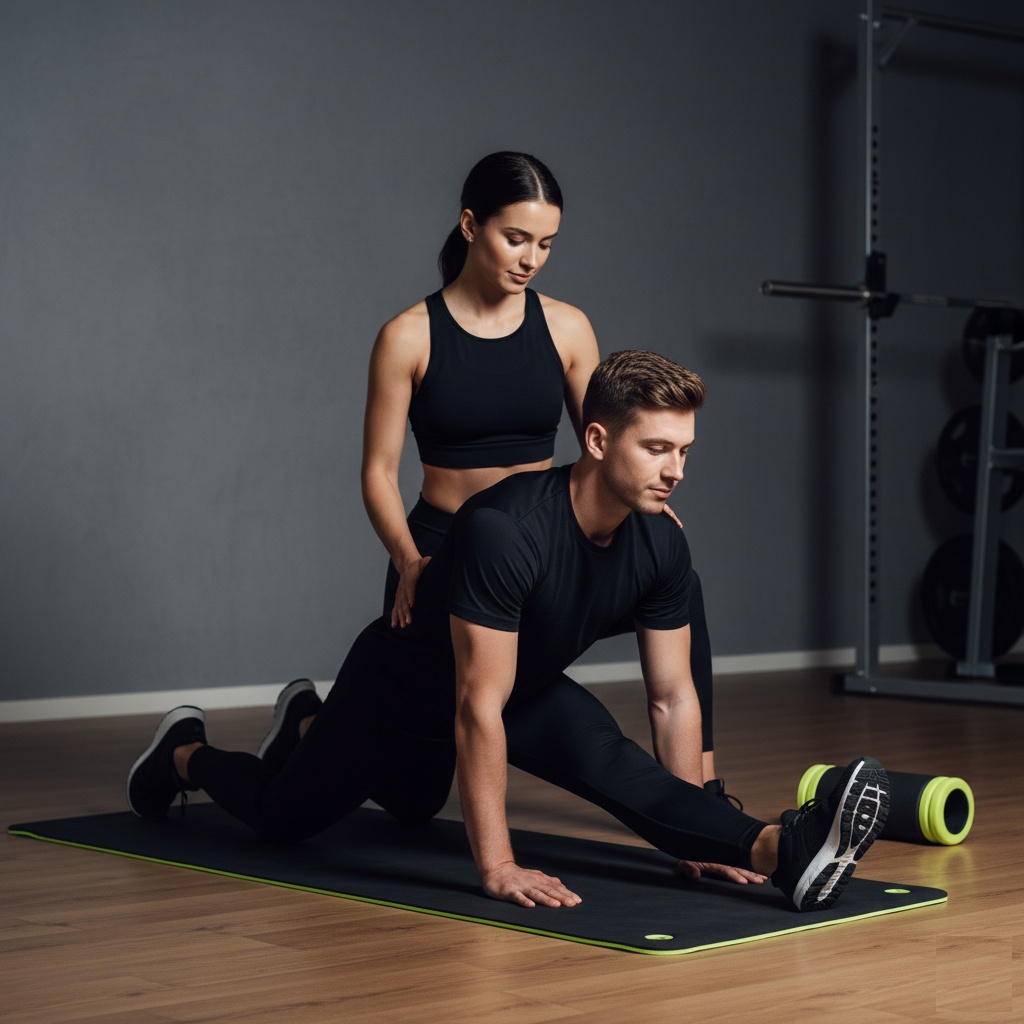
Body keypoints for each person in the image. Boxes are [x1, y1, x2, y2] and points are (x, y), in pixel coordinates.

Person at [128, 350, 890, 912]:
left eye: (684, 450)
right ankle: (187, 754)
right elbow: (473, 708)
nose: (676, 470)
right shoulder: (506, 528)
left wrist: (698, 835)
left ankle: (782, 849)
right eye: (656, 448)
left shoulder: (663, 543)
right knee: (282, 818)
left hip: (516, 687)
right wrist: (496, 865)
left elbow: (672, 698)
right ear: (596, 440)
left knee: (598, 767)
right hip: (400, 692)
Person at [262, 151, 726, 792]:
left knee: (681, 585)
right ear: (470, 224)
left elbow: (609, 438)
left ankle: (702, 786)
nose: (530, 258)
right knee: (412, 796)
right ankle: (312, 728)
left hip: (539, 549)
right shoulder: (408, 336)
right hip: (443, 552)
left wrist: (643, 508)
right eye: (516, 238)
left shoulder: (566, 328)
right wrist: (405, 558)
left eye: (545, 244)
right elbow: (377, 470)